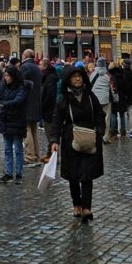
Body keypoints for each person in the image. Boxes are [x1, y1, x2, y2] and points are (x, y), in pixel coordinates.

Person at [49, 65, 105, 221]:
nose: (78, 78)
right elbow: (57, 120)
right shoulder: (63, 99)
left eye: (79, 76)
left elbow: (100, 114)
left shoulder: (90, 96)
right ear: (68, 80)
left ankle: (87, 207)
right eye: (74, 76)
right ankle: (76, 204)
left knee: (87, 174)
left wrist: (99, 132)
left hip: (89, 138)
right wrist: (55, 140)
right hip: (70, 139)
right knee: (73, 175)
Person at [0, 65, 28, 183]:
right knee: (7, 149)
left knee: (18, 149)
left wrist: (5, 105)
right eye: (5, 76)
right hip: (6, 120)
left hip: (17, 121)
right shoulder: (4, 87)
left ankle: (19, 174)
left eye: (8, 76)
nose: (6, 78)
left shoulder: (21, 87)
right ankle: (9, 173)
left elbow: (19, 100)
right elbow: (0, 98)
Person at [20, 49, 43, 164]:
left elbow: (20, 83)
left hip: (27, 102)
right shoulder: (37, 68)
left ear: (25, 56)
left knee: (27, 129)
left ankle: (29, 156)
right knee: (33, 130)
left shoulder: (25, 67)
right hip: (36, 102)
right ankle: (36, 155)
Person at [110, 57, 132, 139]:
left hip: (119, 97)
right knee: (129, 114)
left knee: (117, 114)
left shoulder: (117, 75)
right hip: (129, 96)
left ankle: (116, 131)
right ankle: (129, 131)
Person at [89, 57, 112, 143]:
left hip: (95, 99)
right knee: (106, 118)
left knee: (95, 117)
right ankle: (105, 137)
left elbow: (89, 85)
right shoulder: (108, 75)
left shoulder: (92, 74)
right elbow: (112, 88)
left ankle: (95, 136)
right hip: (106, 99)